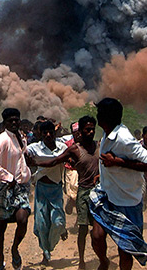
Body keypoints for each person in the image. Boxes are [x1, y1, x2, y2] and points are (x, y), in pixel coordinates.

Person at [89, 98, 147, 270]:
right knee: (96, 236)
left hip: (127, 202)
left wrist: (118, 162)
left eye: (99, 113)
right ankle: (104, 262)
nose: (96, 115)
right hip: (106, 195)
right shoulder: (107, 133)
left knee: (125, 251)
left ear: (105, 116)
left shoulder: (124, 139)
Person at [34, 115, 100, 270]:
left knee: (98, 230)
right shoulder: (73, 149)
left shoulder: (99, 145)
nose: (90, 132)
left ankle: (101, 258)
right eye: (87, 130)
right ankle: (80, 260)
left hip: (98, 192)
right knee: (81, 228)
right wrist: (34, 163)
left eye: (92, 129)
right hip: (81, 191)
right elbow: (54, 161)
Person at [0, 108, 32, 270]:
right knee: (1, 225)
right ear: (4, 123)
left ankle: (14, 249)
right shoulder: (1, 140)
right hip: (5, 186)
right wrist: (8, 177)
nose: (14, 122)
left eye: (16, 119)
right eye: (10, 120)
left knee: (23, 219)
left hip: (21, 186)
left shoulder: (21, 138)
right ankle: (0, 256)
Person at [26, 120, 69, 265]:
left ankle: (51, 243)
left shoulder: (62, 148)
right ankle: (46, 252)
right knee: (42, 223)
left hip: (56, 189)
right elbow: (23, 154)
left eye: (51, 132)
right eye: (45, 132)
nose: (48, 135)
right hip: (41, 189)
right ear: (40, 134)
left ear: (55, 133)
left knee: (57, 223)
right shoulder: (34, 148)